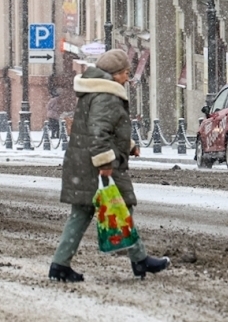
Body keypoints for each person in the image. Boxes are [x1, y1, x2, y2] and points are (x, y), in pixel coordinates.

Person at [49, 48, 169, 283]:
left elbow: (101, 128)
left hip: (83, 161)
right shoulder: (106, 95)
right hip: (98, 165)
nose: (127, 77)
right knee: (121, 207)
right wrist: (105, 163)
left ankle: (60, 264)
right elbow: (99, 131)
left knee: (82, 213)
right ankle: (139, 259)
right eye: (125, 73)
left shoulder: (94, 93)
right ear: (113, 74)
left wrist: (129, 144)